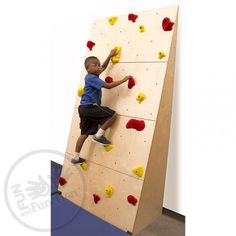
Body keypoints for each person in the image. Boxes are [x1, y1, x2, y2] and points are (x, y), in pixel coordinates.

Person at [71, 49, 132, 164]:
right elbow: (108, 86)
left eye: (98, 64)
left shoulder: (92, 75)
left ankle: (75, 157)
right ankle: (98, 136)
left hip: (83, 108)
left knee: (84, 134)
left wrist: (109, 55)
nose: (98, 66)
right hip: (90, 107)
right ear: (88, 68)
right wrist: (123, 80)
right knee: (113, 115)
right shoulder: (91, 77)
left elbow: (103, 67)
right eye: (95, 65)